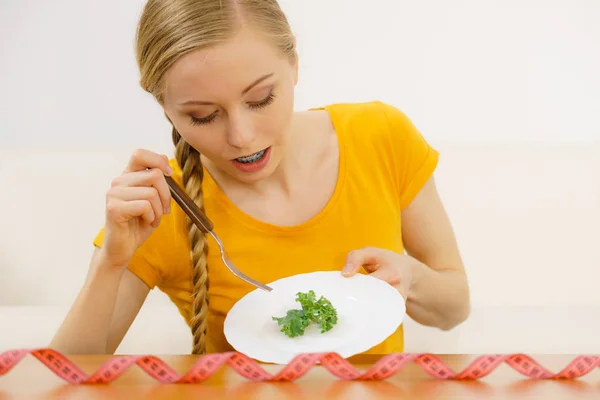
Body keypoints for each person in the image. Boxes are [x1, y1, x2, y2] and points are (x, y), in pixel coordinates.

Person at [50, 0, 470, 356]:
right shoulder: (168, 204)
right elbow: (55, 382)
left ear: (295, 66)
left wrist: (410, 278)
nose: (241, 136)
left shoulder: (381, 136)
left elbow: (455, 308)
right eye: (202, 116)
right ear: (166, 108)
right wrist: (112, 261)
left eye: (261, 98)